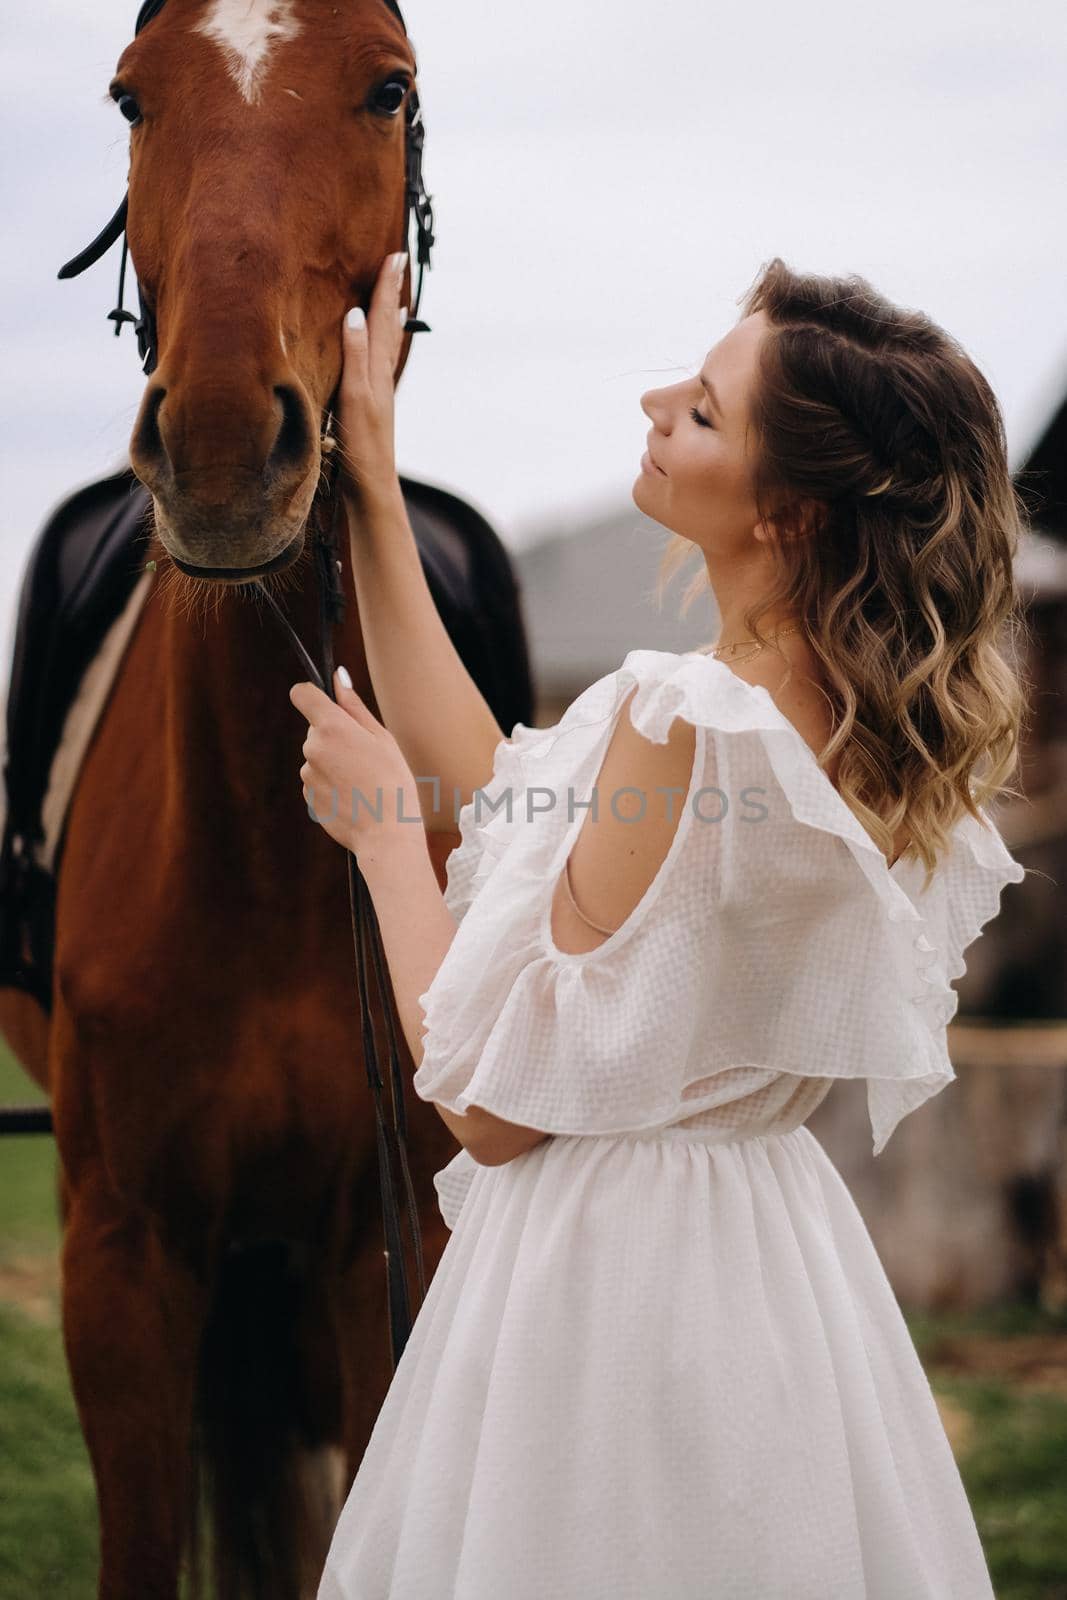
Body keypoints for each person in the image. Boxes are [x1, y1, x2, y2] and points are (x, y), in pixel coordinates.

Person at [290, 250, 1030, 1598]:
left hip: (606, 1291)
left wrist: (389, 836)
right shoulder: (848, 726)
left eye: (699, 410)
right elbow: (520, 809)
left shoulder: (684, 718)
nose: (652, 403)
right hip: (768, 1263)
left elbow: (491, 1106)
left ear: (787, 513)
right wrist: (376, 494)